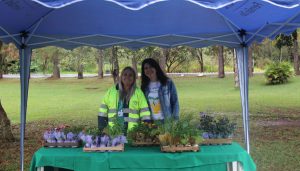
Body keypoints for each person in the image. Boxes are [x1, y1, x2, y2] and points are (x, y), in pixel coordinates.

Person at [98, 67, 151, 134]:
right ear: (121, 76)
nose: (127, 77)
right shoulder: (111, 92)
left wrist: (145, 130)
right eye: (125, 74)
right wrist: (102, 129)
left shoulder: (138, 93)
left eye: (130, 75)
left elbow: (145, 113)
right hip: (113, 133)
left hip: (132, 134)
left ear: (134, 78)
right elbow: (102, 112)